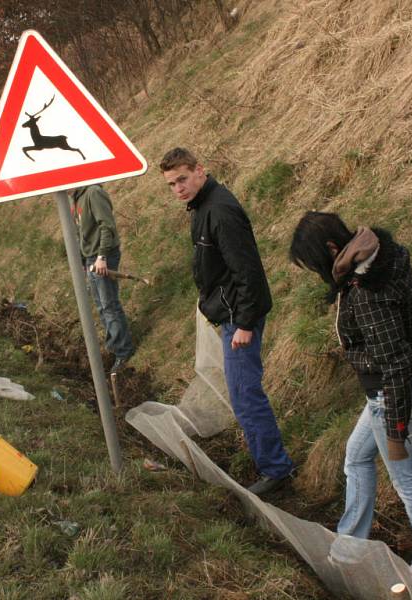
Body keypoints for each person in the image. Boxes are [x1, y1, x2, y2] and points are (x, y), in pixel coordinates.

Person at [289, 211, 412, 578]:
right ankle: (350, 545)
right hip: (401, 385)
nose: (318, 272)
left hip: (392, 396)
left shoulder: (366, 294)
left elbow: (392, 364)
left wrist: (395, 430)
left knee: (408, 480)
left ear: (332, 248)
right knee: (356, 457)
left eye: (315, 262)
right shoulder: (384, 255)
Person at [159, 147, 295, 496]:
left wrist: (246, 323)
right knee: (242, 393)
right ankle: (273, 465)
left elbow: (248, 271)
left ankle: (276, 471)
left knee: (245, 395)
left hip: (240, 317)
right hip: (231, 311)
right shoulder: (202, 207)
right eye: (172, 184)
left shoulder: (220, 210)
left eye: (183, 179)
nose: (178, 189)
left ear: (200, 170)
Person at [70, 184, 135, 374]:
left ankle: (123, 351)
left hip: (103, 255)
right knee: (101, 306)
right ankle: (114, 346)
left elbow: (107, 225)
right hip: (91, 257)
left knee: (109, 304)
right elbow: (80, 232)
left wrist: (102, 256)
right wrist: (83, 262)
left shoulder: (93, 193)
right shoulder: (74, 197)